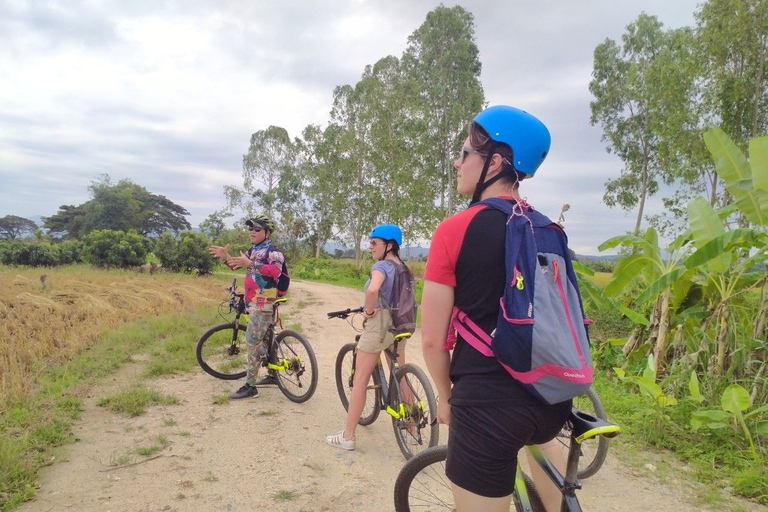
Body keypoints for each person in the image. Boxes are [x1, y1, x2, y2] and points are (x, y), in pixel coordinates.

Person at [420, 105, 572, 512]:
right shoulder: (548, 229)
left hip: (487, 406)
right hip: (551, 400)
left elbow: (433, 339)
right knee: (541, 459)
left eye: (466, 152)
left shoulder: (454, 230)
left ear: (496, 162)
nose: (458, 160)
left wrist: (445, 395)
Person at [325, 223, 414, 451]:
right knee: (400, 374)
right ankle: (413, 428)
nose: (370, 246)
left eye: (375, 242)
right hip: (400, 325)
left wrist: (371, 310)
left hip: (380, 326)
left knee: (360, 380)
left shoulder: (382, 267)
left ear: (389, 245)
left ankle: (348, 436)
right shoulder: (403, 267)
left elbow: (373, 291)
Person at [208, 215, 286, 399]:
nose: (252, 232)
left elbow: (275, 271)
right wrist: (226, 257)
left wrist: (250, 264)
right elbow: (236, 266)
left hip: (263, 302)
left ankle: (250, 386)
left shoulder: (274, 252)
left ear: (266, 232)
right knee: (265, 339)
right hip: (254, 302)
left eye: (257, 229)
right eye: (250, 229)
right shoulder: (253, 250)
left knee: (252, 342)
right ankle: (272, 375)